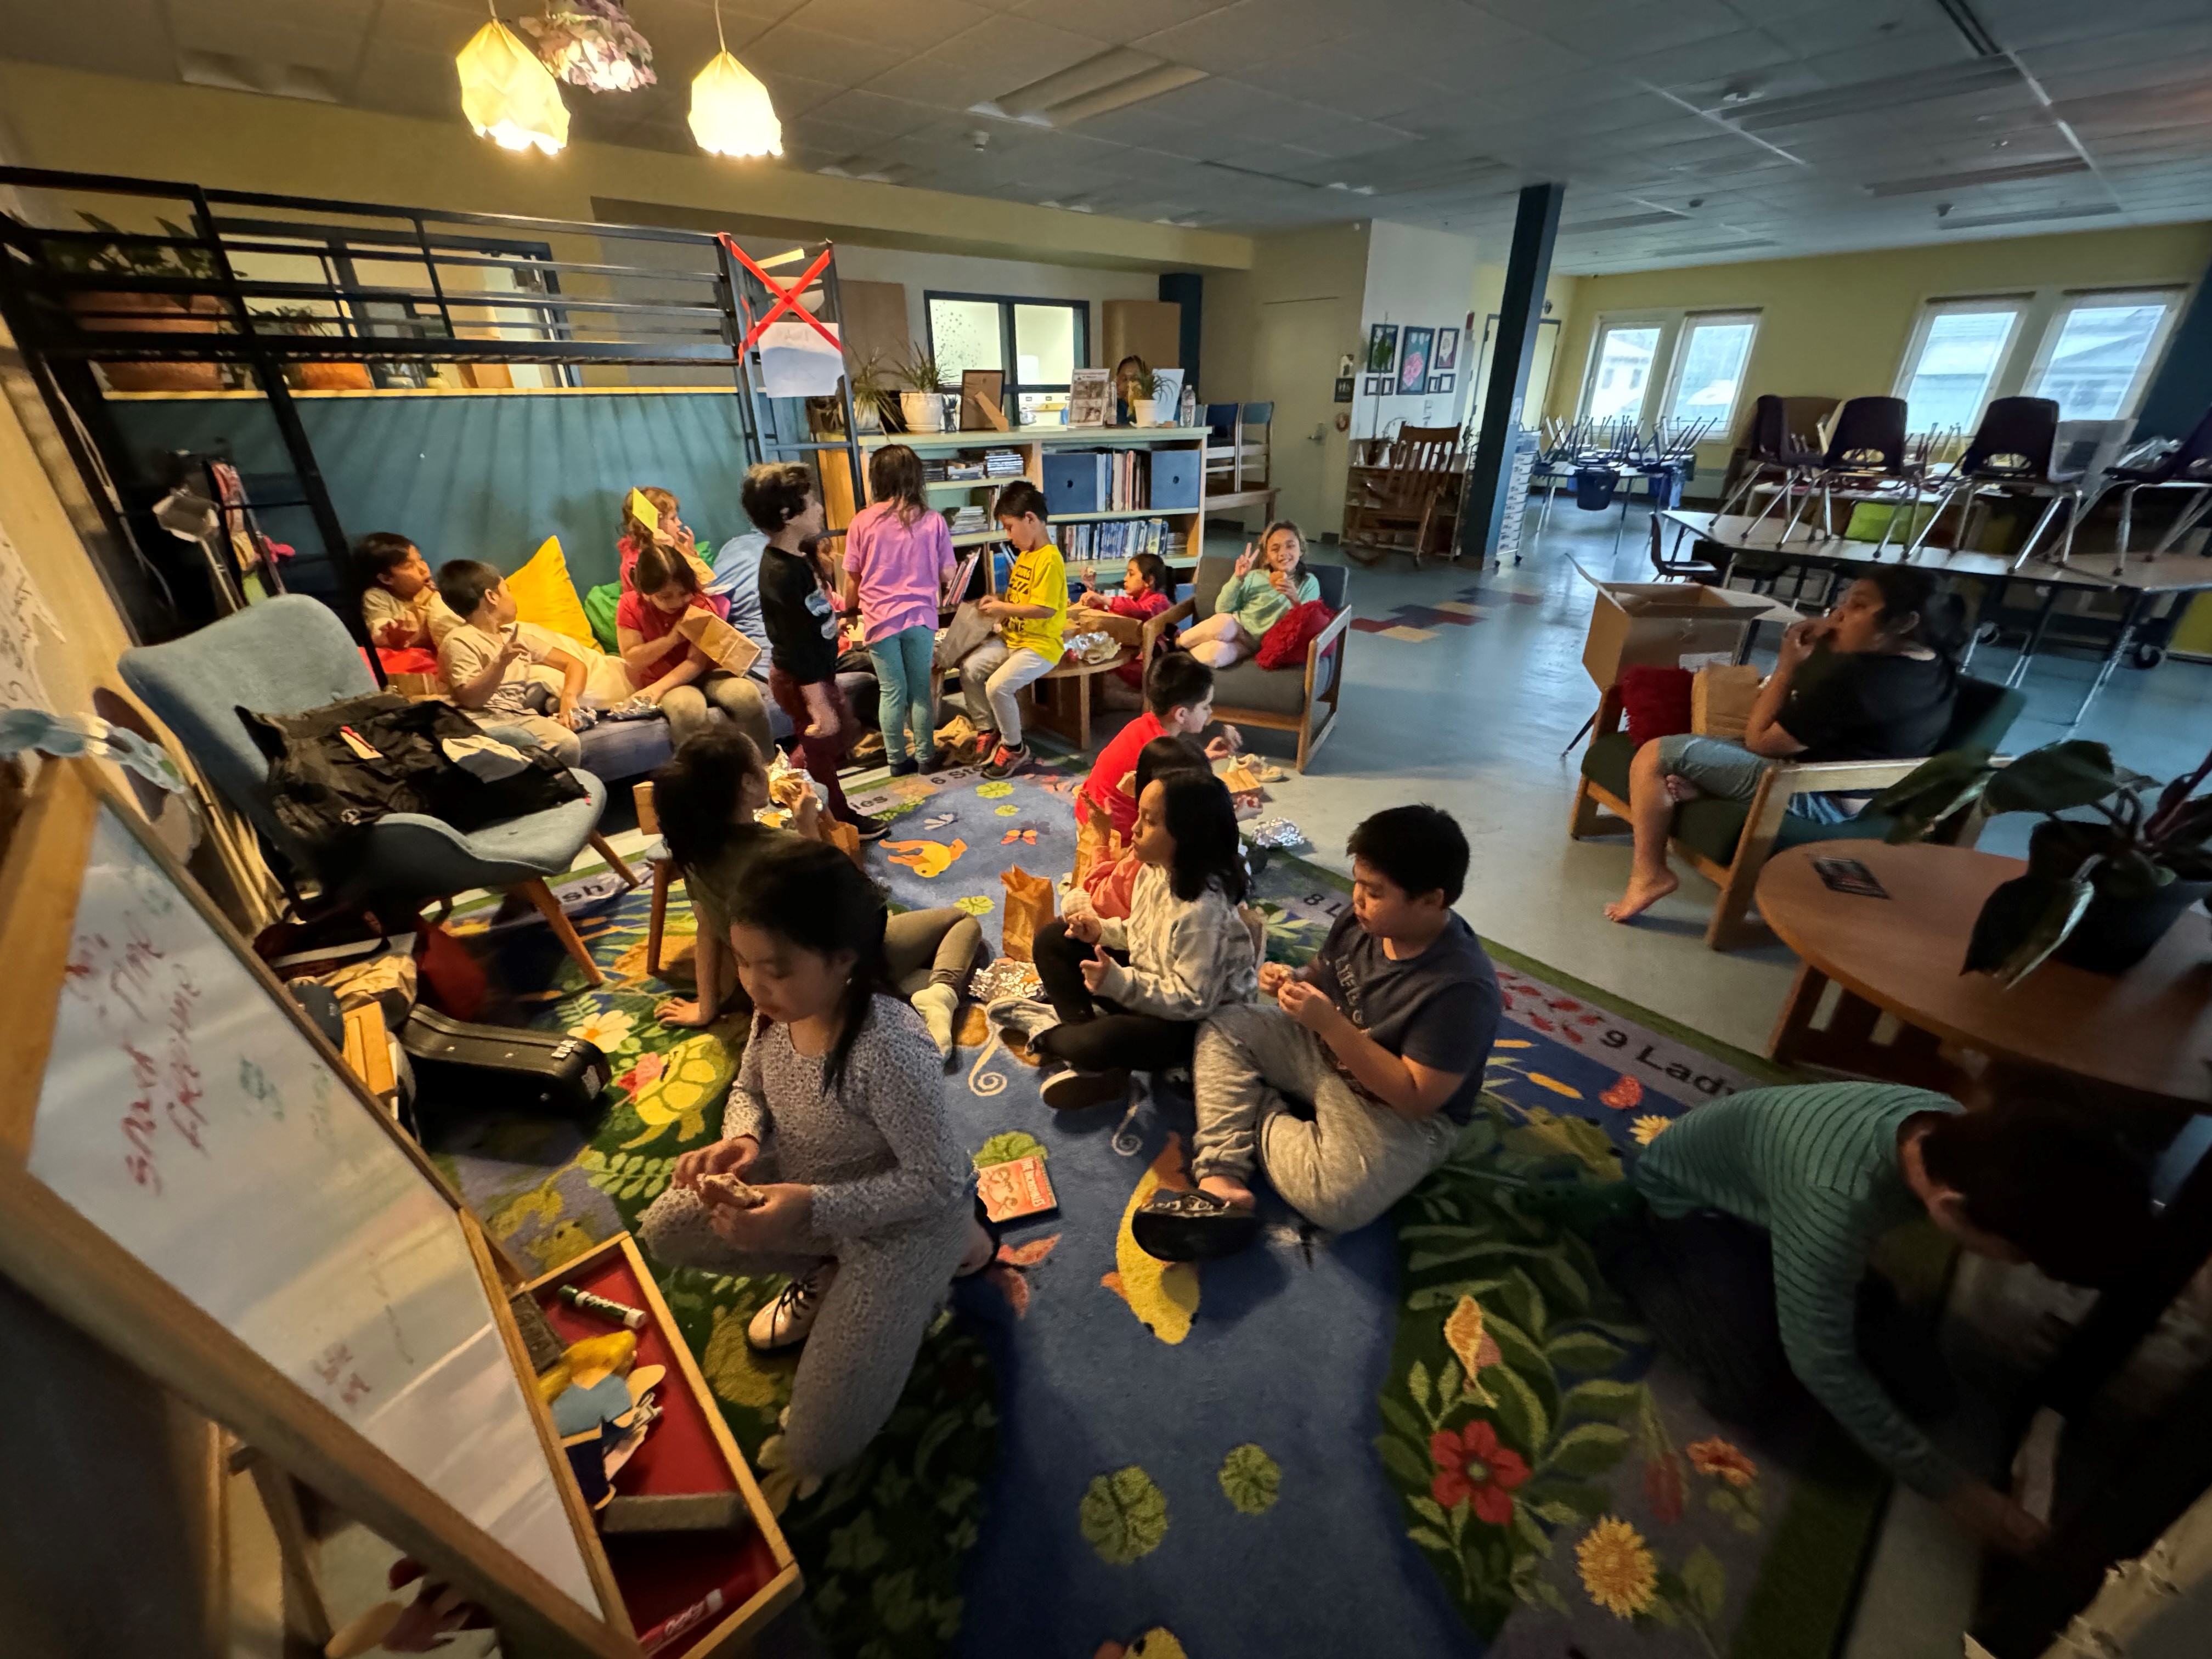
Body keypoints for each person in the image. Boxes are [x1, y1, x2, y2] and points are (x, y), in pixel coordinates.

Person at [1590, 1082, 2153, 1558]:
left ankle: (1798, 1276)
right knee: (1744, 1390)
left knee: (1929, 1393)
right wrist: (1964, 1497)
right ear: (1952, 1208)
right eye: (2021, 1255)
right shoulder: (1837, 1198)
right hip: (1691, 1205)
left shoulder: (1953, 1133)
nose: (2020, 1267)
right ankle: (1629, 1251)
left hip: (1778, 1202)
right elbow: (1822, 1364)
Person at [634, 839, 989, 1496]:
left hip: (904, 1221)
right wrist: (741, 1142)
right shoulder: (778, 1012)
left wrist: (813, 1209)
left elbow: (936, 1180)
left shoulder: (888, 1047)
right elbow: (749, 1090)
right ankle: (829, 1266)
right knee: (668, 1226)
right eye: (741, 963)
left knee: (817, 1447)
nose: (753, 985)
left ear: (844, 960)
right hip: (808, 1182)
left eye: (775, 968)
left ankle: (950, 1251)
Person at [1139, 804, 1499, 1260]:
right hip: (1323, 1047)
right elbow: (1322, 975)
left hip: (1393, 1110)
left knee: (1337, 1202)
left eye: (1375, 891)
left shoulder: (1462, 990)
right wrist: (1290, 980)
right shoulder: (1363, 920)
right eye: (1358, 882)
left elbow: (1416, 1099)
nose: (1358, 899)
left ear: (1432, 900)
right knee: (1226, 1024)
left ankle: (1256, 1107)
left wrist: (1331, 1025)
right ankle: (1222, 1178)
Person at [1606, 566, 1965, 923]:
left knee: (1655, 754)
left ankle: (1651, 875)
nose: (1838, 614)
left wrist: (1786, 667)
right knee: (1698, 748)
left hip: (1816, 795)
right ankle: (1704, 792)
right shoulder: (1935, 663)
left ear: (1903, 623)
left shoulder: (1858, 685)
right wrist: (1835, 636)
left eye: (1857, 607)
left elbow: (1760, 741)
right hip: (1853, 785)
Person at [650, 728, 981, 1061]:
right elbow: (848, 901)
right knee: (962, 922)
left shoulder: (693, 853)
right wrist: (808, 826)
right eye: (761, 765)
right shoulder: (782, 851)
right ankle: (937, 997)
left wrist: (705, 1008)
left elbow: (706, 928)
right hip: (824, 982)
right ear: (748, 784)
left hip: (763, 982)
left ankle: (894, 989)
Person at [1029, 769, 1256, 1111]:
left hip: (1191, 1026)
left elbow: (1194, 1001)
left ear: (1186, 835)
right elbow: (1141, 933)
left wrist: (1119, 983)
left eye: (1148, 821)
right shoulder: (1153, 869)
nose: (1134, 829)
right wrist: (1101, 931)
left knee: (1095, 1041)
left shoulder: (1202, 912)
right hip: (1150, 984)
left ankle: (1058, 1036)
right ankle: (1093, 1054)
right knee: (1052, 939)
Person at [741, 462, 885, 840]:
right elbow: (795, 644)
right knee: (824, 743)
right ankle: (839, 819)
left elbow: (809, 621)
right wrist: (817, 700)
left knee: (840, 731)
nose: (821, 508)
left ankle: (786, 774)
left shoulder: (796, 561)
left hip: (818, 672)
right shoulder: (781, 573)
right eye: (813, 501)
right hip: (802, 678)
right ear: (788, 515)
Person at [842, 444, 957, 777]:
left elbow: (853, 576)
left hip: (879, 619)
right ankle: (926, 756)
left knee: (891, 691)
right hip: (921, 617)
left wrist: (850, 614)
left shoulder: (862, 522)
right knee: (921, 689)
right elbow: (948, 574)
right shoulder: (933, 521)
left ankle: (896, 760)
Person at [1074, 651, 1238, 879]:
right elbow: (1189, 813)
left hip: (1089, 821)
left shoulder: (1142, 726)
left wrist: (1204, 756)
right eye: (1205, 706)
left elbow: (1159, 768)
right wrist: (1239, 815)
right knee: (1210, 847)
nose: (1210, 712)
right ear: (1181, 714)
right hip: (1116, 843)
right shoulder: (1163, 753)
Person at [616, 539, 775, 757]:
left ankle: (766, 769)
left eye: (683, 593)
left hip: (708, 672)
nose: (676, 602)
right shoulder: (629, 605)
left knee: (746, 696)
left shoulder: (701, 603)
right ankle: (700, 782)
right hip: (665, 681)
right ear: (645, 592)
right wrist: (672, 639)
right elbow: (632, 658)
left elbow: (697, 662)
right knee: (686, 710)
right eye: (665, 597)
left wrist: (656, 691)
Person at [959, 480, 1068, 781]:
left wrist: (1004, 610)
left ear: (1030, 519)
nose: (1008, 535)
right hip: (1014, 639)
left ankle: (1015, 747)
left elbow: (1045, 610)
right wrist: (1002, 601)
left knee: (997, 686)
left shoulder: (1050, 559)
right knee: (969, 668)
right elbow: (1022, 599)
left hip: (1041, 646)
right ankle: (987, 729)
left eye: (1010, 527)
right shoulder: (1025, 555)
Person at [435, 559, 589, 767]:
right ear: (492, 597)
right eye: (507, 589)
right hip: (480, 719)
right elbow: (471, 700)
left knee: (565, 741)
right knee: (561, 742)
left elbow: (574, 664)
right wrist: (501, 662)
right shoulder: (460, 640)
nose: (512, 598)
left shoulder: (516, 635)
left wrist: (569, 698)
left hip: (518, 716)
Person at [1067, 733, 1211, 926]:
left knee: (1072, 901)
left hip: (1138, 933)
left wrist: (1103, 837)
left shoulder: (1147, 858)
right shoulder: (1209, 827)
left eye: (1149, 820)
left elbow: (1102, 897)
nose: (1136, 827)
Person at [1181, 520, 1321, 669]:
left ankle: (1184, 652)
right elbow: (1222, 609)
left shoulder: (1309, 582)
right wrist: (1238, 578)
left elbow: (1309, 623)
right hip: (1237, 626)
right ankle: (1178, 642)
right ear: (1267, 557)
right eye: (1275, 549)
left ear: (1301, 549)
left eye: (1290, 546)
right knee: (1222, 625)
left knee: (1215, 657)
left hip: (1253, 645)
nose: (1283, 553)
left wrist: (1295, 600)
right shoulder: (1255, 577)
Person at [1070, 550, 1175, 692]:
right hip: (1129, 658)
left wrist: (1105, 599)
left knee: (1100, 687)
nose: (1125, 579)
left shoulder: (1159, 601)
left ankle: (1140, 702)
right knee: (1094, 680)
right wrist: (1094, 597)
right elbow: (1113, 620)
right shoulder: (1133, 600)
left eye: (1131, 574)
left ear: (1149, 581)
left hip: (1147, 666)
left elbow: (1140, 610)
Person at [618, 486, 727, 619]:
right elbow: (649, 602)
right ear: (655, 524)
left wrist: (689, 553)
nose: (679, 523)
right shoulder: (635, 563)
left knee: (721, 603)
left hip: (685, 609)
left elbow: (704, 584)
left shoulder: (675, 545)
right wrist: (668, 554)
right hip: (661, 619)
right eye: (673, 518)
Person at [356, 532, 462, 652]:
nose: (423, 569)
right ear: (386, 578)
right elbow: (380, 628)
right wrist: (394, 634)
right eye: (409, 566)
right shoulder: (378, 596)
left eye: (421, 560)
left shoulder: (437, 590)